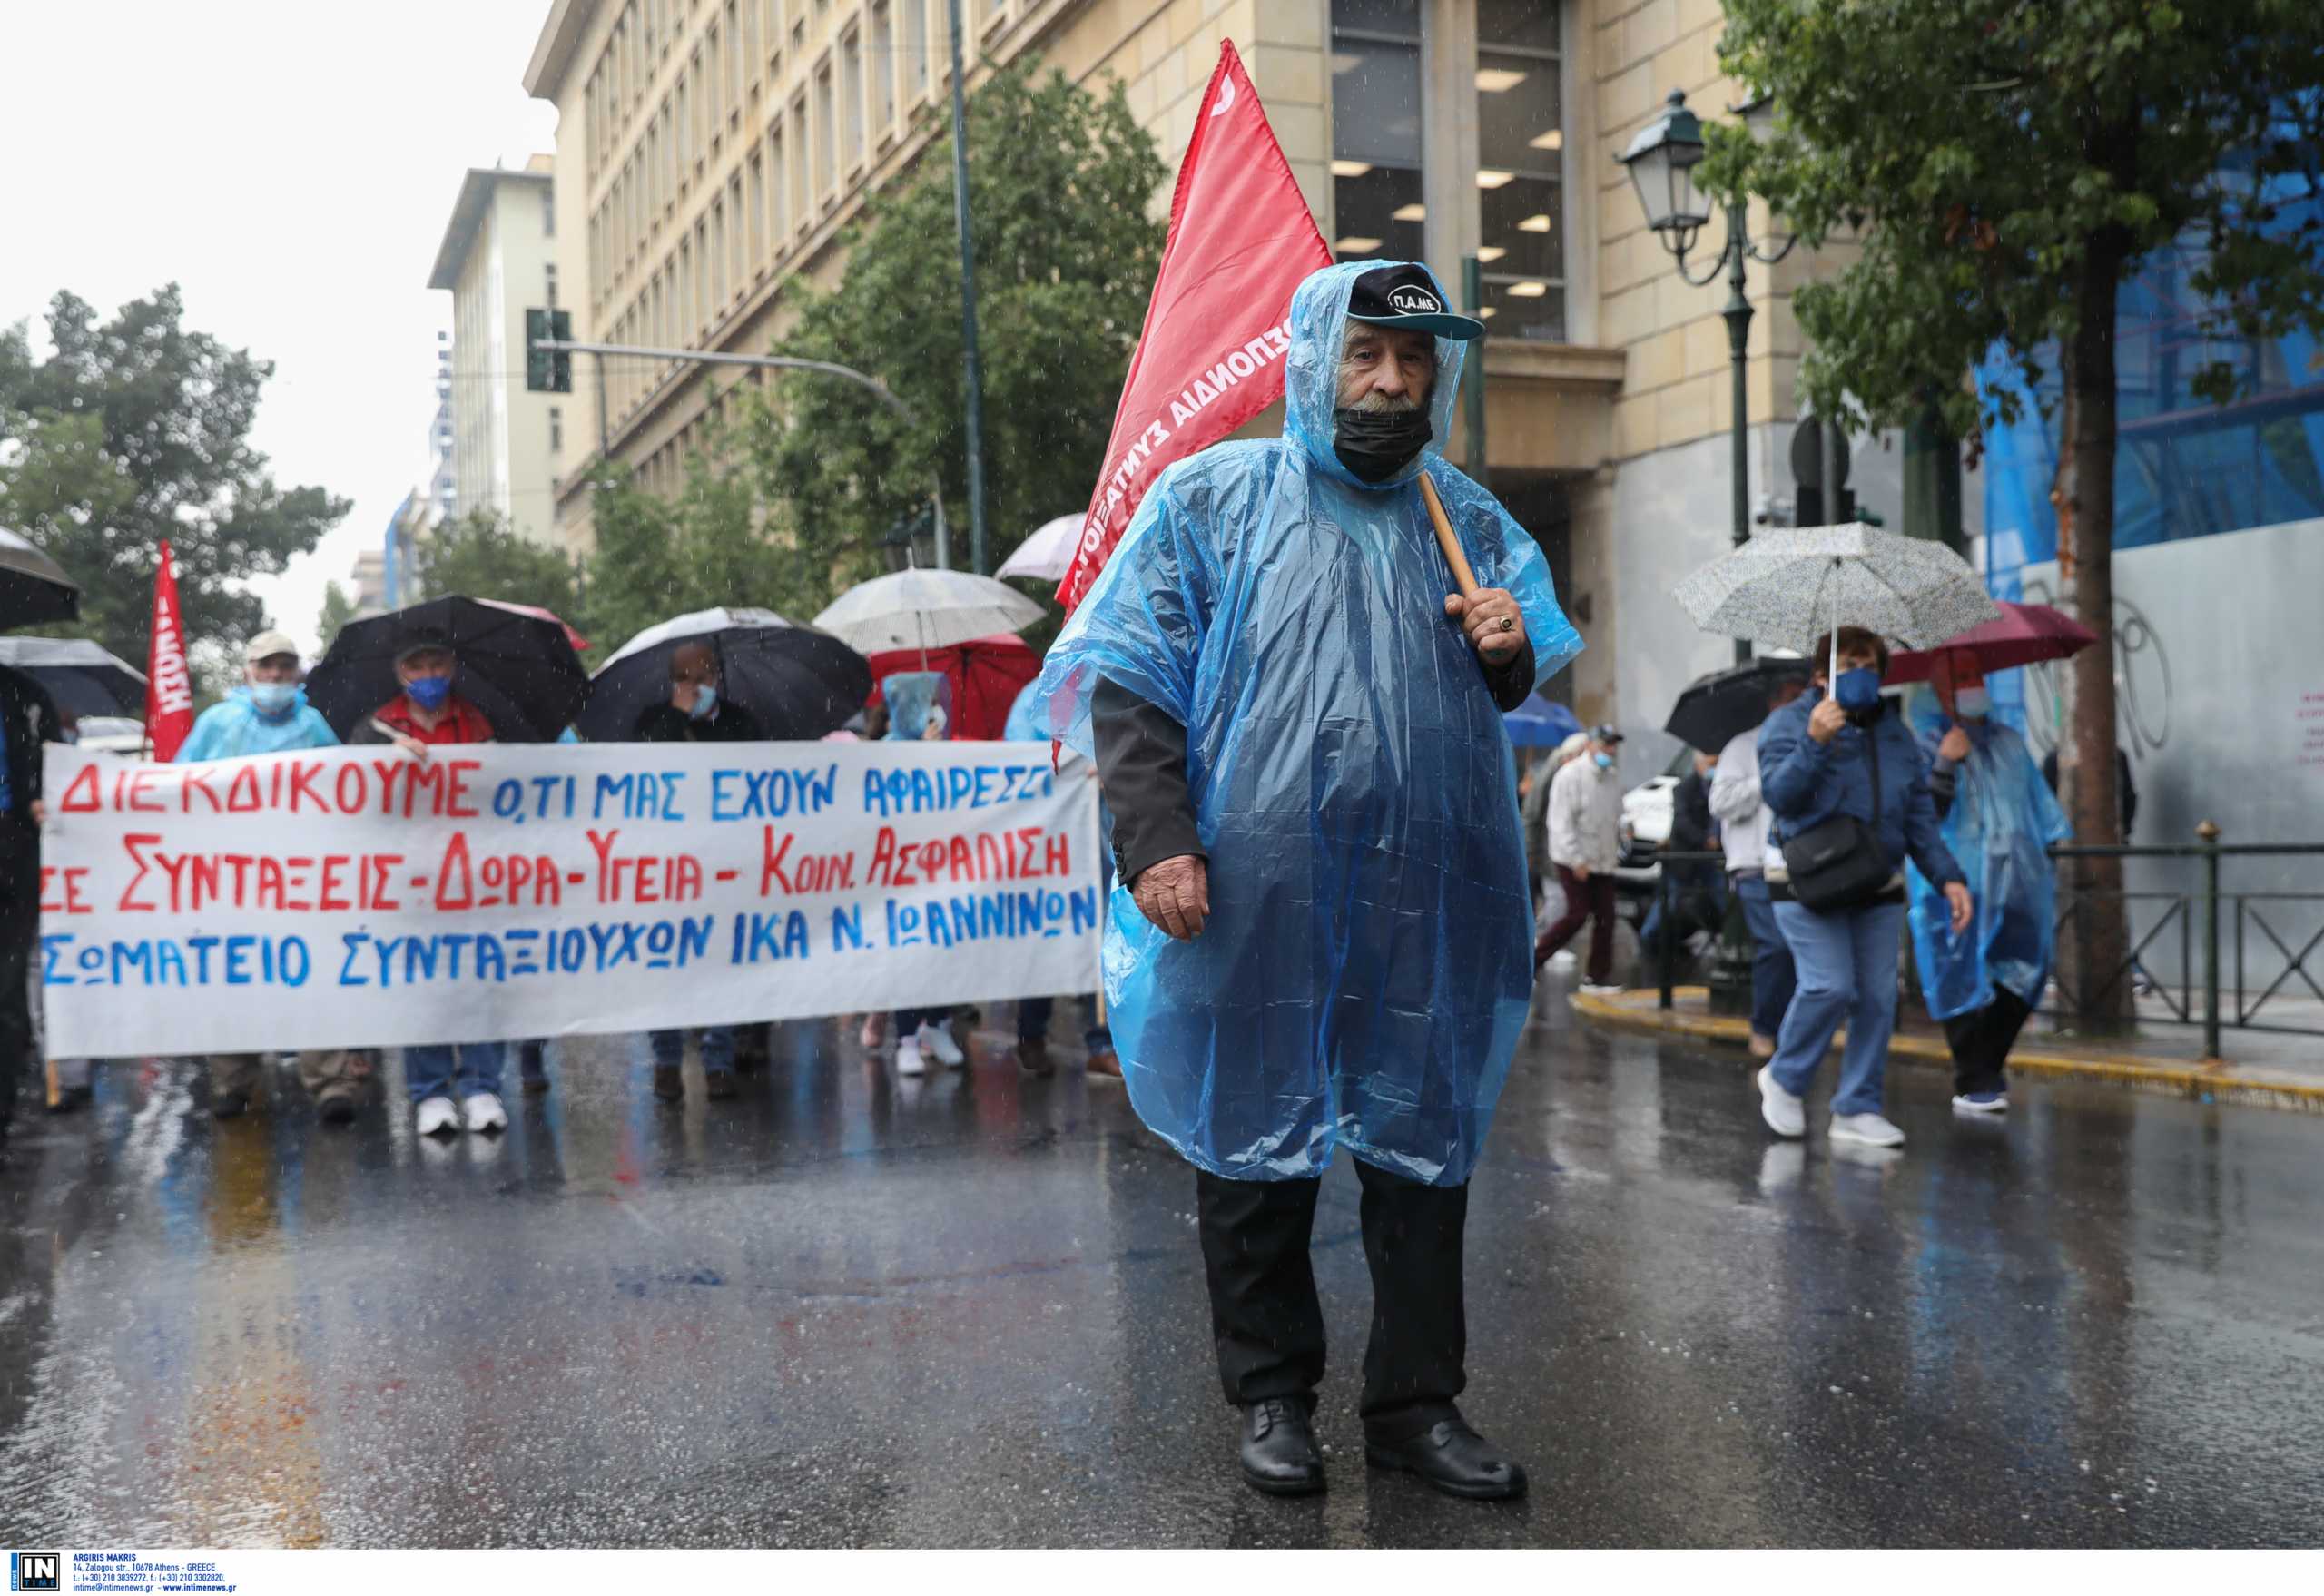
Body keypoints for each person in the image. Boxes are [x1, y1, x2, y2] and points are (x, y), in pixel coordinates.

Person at [1032, 261, 1581, 1500]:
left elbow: (1522, 671)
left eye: (1414, 362)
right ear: (1316, 357)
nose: (1391, 382)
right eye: (1366, 355)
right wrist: (1158, 838)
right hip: (1253, 892)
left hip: (1424, 899)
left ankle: (1415, 1404)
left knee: (1420, 1146)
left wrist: (1505, 651)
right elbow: (1132, 680)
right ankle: (1272, 1394)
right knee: (1252, 1140)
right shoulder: (1211, 504)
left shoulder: (1468, 521)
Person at [1754, 627, 1973, 1150]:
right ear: (1820, 674)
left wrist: (1949, 876)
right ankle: (1784, 1077)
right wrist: (1815, 741)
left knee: (1877, 998)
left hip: (1876, 879)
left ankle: (1857, 1106)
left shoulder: (1894, 734)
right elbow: (1781, 796)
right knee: (1829, 985)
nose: (1859, 672)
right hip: (1808, 877)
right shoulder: (1789, 723)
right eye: (1846, 662)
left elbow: (1918, 815)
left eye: (1868, 664)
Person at [174, 632, 366, 1125]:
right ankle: (232, 1081)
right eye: (266, 667)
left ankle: (330, 1082)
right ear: (248, 672)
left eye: (284, 667)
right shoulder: (217, 724)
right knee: (234, 974)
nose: (276, 677)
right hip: (231, 877)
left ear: (296, 673)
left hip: (302, 879)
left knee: (313, 974)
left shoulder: (314, 725)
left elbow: (344, 788)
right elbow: (175, 788)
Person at [352, 637, 507, 1136]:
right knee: (423, 985)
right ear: (400, 673)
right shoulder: (375, 727)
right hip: (409, 881)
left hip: (471, 877)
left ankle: (483, 1086)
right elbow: (352, 786)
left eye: (436, 662)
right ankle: (430, 1092)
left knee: (478, 982)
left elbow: (505, 791)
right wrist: (385, 755)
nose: (428, 672)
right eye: (416, 664)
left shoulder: (480, 725)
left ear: (453, 666)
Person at [1911, 664, 2071, 1112]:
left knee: (2024, 970)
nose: (1971, 688)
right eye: (1958, 679)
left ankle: (1987, 1065)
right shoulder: (1924, 745)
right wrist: (1945, 761)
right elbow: (1920, 819)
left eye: (1974, 677)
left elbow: (2039, 809)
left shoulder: (2008, 743)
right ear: (1938, 689)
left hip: (2017, 882)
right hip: (1952, 884)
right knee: (1955, 973)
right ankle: (1973, 1077)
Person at [633, 641, 764, 1102]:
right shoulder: (652, 722)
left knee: (720, 965)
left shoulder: (740, 723)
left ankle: (718, 1061)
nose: (696, 686)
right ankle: (667, 1061)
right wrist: (675, 716)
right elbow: (640, 769)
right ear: (672, 683)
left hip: (724, 866)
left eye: (704, 676)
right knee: (664, 968)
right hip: (666, 869)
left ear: (718, 678)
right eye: (685, 678)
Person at [1711, 675, 1809, 1058]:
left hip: (1793, 862)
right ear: (1772, 703)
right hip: (1753, 864)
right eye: (1789, 696)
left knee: (1798, 948)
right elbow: (1720, 802)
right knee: (1775, 945)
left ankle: (1787, 1029)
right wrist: (1765, 783)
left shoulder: (1806, 744)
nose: (1797, 702)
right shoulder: (1742, 747)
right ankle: (1765, 1029)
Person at [0, 665, 59, 1142]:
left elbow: (56, 763)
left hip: (12, 848)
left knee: (9, 981)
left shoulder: (25, 694)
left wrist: (43, 797)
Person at [1534, 724, 1627, 994]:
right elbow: (1561, 823)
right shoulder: (1570, 776)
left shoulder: (1611, 777)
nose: (1610, 751)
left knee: (1606, 917)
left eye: (1613, 745)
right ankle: (1535, 959)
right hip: (1574, 859)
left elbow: (1617, 814)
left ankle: (1597, 976)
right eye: (1605, 744)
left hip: (1603, 859)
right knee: (1577, 914)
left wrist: (1625, 829)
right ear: (1591, 745)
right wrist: (1577, 860)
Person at [1640, 750, 1726, 966]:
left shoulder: (1722, 787)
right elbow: (1682, 822)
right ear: (1698, 765)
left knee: (1722, 898)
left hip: (1710, 861)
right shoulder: (1684, 789)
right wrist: (1706, 840)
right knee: (1670, 901)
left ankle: (1725, 940)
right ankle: (1648, 940)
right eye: (1710, 763)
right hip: (1684, 860)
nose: (1713, 768)